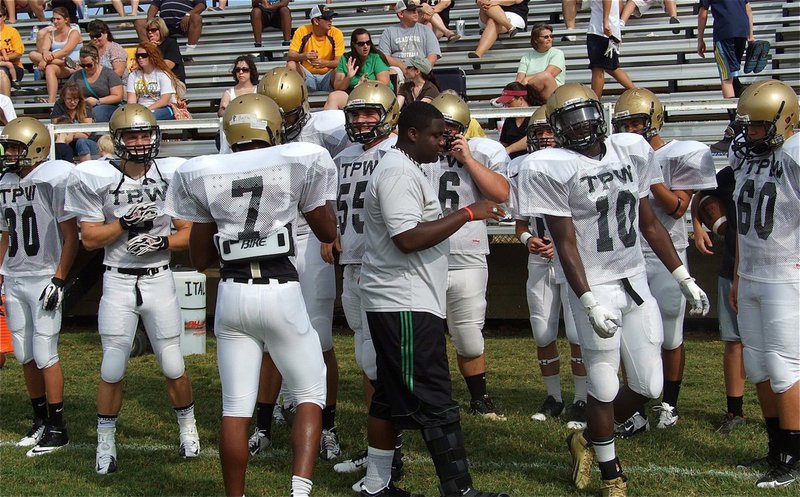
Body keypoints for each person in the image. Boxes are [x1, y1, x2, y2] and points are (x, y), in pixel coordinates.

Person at [515, 83, 709, 497]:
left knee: (649, 386)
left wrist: (683, 277)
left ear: (599, 114)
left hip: (635, 277)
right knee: (602, 385)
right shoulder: (549, 166)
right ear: (557, 128)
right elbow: (565, 241)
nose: (582, 127)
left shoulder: (630, 150)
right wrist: (585, 299)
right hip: (594, 282)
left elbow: (650, 224)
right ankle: (611, 473)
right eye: (570, 121)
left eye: (586, 115)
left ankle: (586, 437)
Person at [165, 92, 338, 497]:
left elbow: (202, 257)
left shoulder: (204, 171)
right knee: (311, 392)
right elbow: (327, 232)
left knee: (235, 409)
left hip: (231, 296)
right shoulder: (297, 160)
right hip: (281, 291)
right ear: (272, 126)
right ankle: (298, 491)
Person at [358, 100, 509, 497]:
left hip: (402, 297)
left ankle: (376, 485)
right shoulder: (396, 172)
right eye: (436, 135)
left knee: (388, 397)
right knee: (436, 397)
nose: (443, 142)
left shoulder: (405, 168)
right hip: (403, 299)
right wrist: (469, 214)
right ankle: (458, 490)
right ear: (412, 134)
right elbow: (406, 239)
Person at [64, 103, 201, 475]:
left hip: (158, 278)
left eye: (145, 134)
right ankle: (105, 442)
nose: (140, 142)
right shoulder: (99, 178)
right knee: (111, 366)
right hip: (118, 278)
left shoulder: (169, 175)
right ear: (119, 140)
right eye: (132, 136)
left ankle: (188, 431)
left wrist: (159, 244)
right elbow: (90, 238)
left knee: (173, 361)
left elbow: (188, 233)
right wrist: (123, 223)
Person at [249, 67, 350, 461]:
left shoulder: (325, 132)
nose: (280, 121)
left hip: (309, 237)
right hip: (272, 238)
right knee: (272, 335)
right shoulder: (251, 133)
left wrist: (332, 233)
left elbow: (339, 186)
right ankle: (262, 423)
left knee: (320, 336)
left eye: (286, 113)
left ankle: (328, 425)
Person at [610, 88, 716, 437]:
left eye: (637, 122)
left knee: (670, 333)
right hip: (630, 253)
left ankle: (669, 403)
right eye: (624, 124)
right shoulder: (618, 153)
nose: (631, 130)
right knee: (634, 333)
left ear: (654, 120)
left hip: (667, 250)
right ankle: (634, 406)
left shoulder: (678, 154)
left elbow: (678, 207)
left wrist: (649, 173)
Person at [324, 82, 403, 490]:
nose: (361, 120)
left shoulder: (399, 154)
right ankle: (381, 448)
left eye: (370, 113)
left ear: (388, 113)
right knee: (366, 359)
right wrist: (330, 234)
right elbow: (335, 207)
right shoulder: (344, 157)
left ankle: (392, 454)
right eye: (354, 114)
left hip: (385, 268)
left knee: (383, 362)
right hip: (352, 264)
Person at [727, 80, 799, 489]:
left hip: (786, 274)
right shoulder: (747, 157)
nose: (750, 133)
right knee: (756, 365)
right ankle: (776, 448)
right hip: (752, 272)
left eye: (757, 126)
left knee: (784, 366)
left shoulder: (794, 153)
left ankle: (794, 453)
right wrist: (737, 274)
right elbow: (743, 226)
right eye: (748, 125)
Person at [427, 92, 511, 421]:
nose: (445, 134)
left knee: (469, 337)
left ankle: (480, 397)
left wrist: (469, 160)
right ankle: (433, 397)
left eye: (451, 128)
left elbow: (502, 195)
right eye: (439, 127)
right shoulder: (416, 152)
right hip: (425, 254)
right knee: (426, 335)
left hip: (468, 253)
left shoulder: (485, 150)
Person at [0, 117, 78, 457]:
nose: (10, 154)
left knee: (46, 353)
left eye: (16, 147)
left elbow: (70, 235)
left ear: (36, 147)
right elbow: (5, 234)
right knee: (23, 352)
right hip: (15, 277)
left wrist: (59, 278)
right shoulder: (4, 181)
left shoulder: (51, 180)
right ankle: (39, 420)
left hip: (44, 276)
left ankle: (58, 427)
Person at [508, 105, 587, 427]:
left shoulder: (578, 165)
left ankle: (582, 398)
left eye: (549, 131)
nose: (544, 137)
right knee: (543, 333)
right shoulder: (520, 168)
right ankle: (554, 396)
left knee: (580, 333)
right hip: (539, 259)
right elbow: (520, 223)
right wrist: (529, 240)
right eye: (538, 132)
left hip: (575, 260)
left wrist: (567, 243)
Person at [691, 168, 747, 434]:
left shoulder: (788, 163)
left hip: (780, 269)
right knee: (734, 342)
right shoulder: (733, 171)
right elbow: (700, 193)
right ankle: (735, 411)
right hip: (733, 265)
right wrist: (698, 224)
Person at [697, 0, 755, 153]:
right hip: (741, 31)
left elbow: (703, 14)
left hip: (724, 32)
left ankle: (735, 127)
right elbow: (748, 9)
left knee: (726, 78)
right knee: (733, 75)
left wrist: (700, 40)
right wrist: (751, 36)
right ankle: (745, 103)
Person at [324, 28, 392, 111]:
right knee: (333, 97)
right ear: (354, 45)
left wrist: (366, 83)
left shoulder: (376, 57)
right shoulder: (346, 58)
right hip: (354, 96)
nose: (365, 46)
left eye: (368, 43)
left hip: (376, 95)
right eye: (361, 44)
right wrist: (348, 77)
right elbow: (337, 86)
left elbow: (385, 83)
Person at [28, 7, 82, 103]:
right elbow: (44, 49)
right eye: (53, 19)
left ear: (66, 20)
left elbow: (65, 51)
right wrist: (45, 56)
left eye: (58, 19)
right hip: (61, 63)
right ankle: (63, 63)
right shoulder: (50, 34)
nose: (55, 21)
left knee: (49, 67)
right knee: (32, 54)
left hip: (72, 64)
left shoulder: (74, 32)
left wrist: (47, 59)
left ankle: (51, 101)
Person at [379, 0, 441, 82]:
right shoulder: (389, 32)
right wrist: (401, 66)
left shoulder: (426, 30)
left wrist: (421, 69)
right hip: (399, 71)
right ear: (401, 14)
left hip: (420, 73)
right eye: (411, 11)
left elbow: (433, 55)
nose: (416, 13)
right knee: (392, 72)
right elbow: (384, 56)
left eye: (416, 10)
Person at [286, 4, 344, 93]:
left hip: (328, 76)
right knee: (291, 64)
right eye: (326, 18)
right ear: (316, 21)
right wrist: (304, 56)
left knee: (340, 69)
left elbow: (340, 62)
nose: (330, 21)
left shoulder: (336, 33)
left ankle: (339, 97)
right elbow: (290, 56)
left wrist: (324, 63)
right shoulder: (302, 31)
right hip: (308, 76)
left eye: (331, 17)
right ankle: (296, 97)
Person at [587, 0, 634, 99]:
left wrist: (605, 21)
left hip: (599, 30)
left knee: (597, 68)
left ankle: (595, 102)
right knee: (612, 68)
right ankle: (636, 92)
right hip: (609, 30)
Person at [68, 46, 124, 123]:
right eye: (83, 66)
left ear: (97, 59)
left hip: (107, 106)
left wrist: (98, 101)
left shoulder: (109, 74)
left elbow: (118, 96)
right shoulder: (76, 76)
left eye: (89, 65)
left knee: (98, 111)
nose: (86, 68)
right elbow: (67, 93)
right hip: (83, 107)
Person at [126, 42, 182, 121]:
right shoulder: (133, 75)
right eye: (138, 56)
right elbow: (131, 100)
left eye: (144, 55)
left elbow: (164, 101)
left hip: (163, 108)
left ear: (152, 56)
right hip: (140, 109)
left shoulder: (163, 74)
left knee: (148, 117)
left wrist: (146, 110)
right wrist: (135, 111)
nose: (140, 58)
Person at [513, 23, 565, 104]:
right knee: (516, 87)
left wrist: (527, 79)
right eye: (546, 37)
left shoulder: (557, 53)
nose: (550, 39)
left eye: (551, 36)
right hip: (530, 93)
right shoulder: (527, 56)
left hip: (552, 94)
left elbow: (549, 74)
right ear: (535, 40)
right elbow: (519, 80)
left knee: (546, 76)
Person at [216, 55, 258, 151]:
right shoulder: (229, 93)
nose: (241, 72)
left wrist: (231, 108)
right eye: (238, 70)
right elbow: (221, 113)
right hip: (234, 133)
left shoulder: (258, 90)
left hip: (255, 132)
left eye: (245, 69)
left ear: (251, 71)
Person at [50, 82, 99, 162]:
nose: (72, 102)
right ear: (63, 98)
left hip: (88, 142)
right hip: (68, 142)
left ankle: (86, 168)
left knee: (81, 142)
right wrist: (71, 134)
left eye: (75, 99)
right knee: (60, 141)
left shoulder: (85, 106)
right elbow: (57, 128)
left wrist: (68, 133)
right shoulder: (59, 105)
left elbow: (86, 133)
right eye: (69, 99)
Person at [136, 0, 206, 54]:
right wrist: (150, 21)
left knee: (196, 18)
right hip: (164, 25)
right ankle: (151, 51)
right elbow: (154, 6)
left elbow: (201, 5)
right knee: (140, 23)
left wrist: (188, 14)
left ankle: (190, 51)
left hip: (184, 24)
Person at [495, 82, 537, 160]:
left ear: (521, 99)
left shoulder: (535, 116)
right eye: (505, 104)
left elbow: (533, 137)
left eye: (509, 103)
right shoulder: (509, 120)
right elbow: (504, 143)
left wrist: (509, 149)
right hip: (511, 162)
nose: (507, 106)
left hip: (531, 159)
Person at [144, 17, 186, 84]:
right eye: (148, 30)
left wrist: (153, 51)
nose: (150, 32)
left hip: (173, 81)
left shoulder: (171, 43)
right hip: (152, 81)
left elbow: (167, 66)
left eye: (153, 30)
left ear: (161, 30)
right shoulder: (145, 47)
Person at [86, 19, 129, 84]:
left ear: (106, 34)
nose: (95, 38)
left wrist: (101, 81)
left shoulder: (115, 48)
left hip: (117, 85)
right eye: (92, 36)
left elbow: (119, 72)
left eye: (97, 35)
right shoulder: (90, 49)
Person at [0, 5, 24, 96]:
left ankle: (5, 106)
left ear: (4, 17)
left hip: (14, 67)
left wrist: (2, 58)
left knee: (1, 71)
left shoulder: (12, 31)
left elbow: (18, 53)